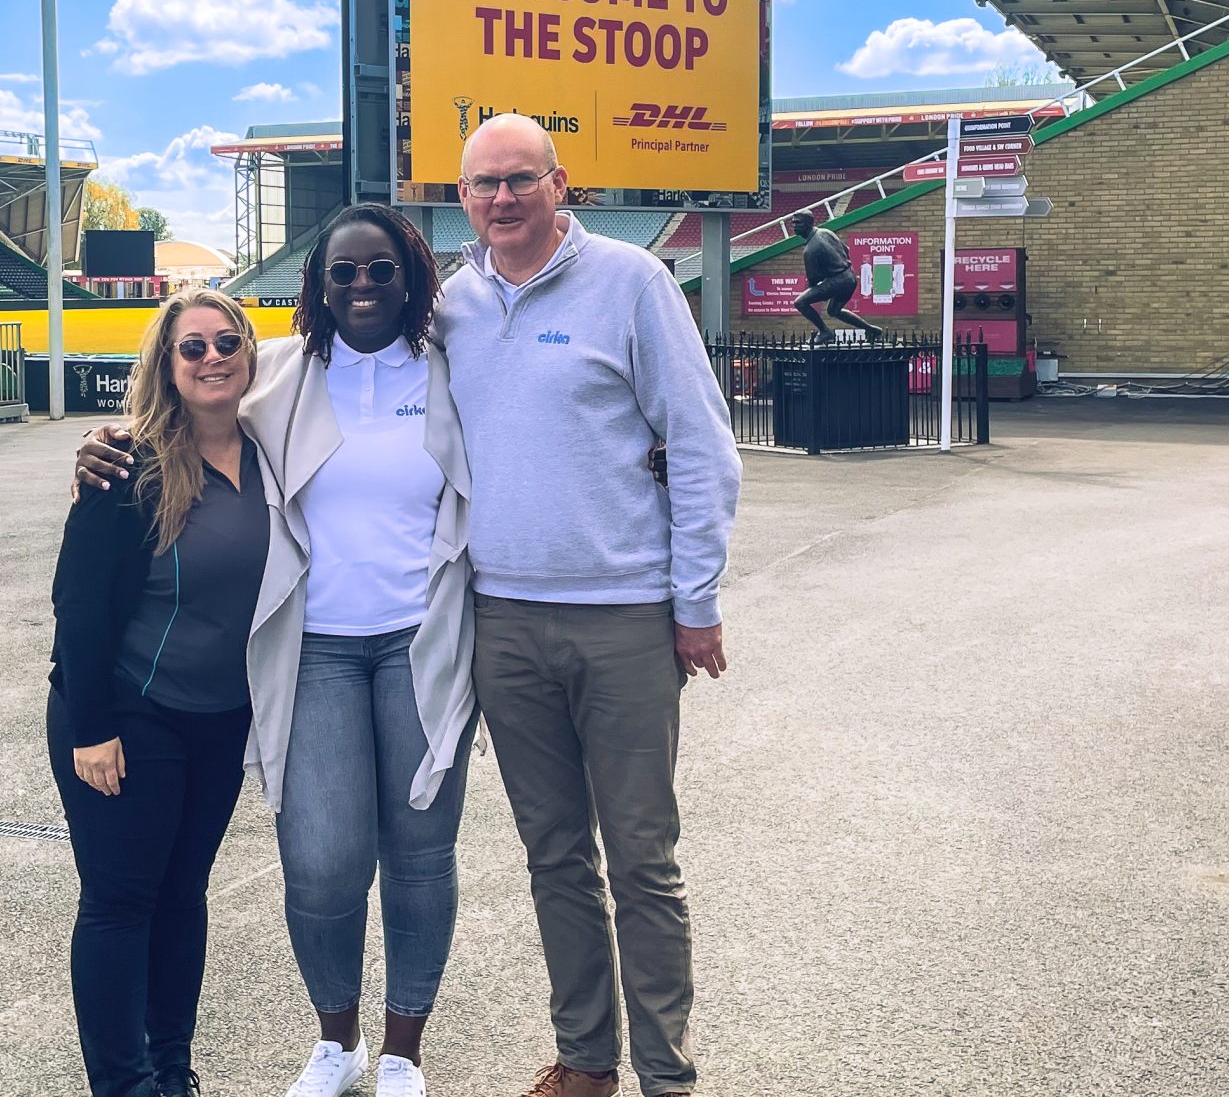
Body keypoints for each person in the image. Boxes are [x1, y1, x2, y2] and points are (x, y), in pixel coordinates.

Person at [78, 207, 478, 1097]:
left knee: (420, 855)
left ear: (410, 276)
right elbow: (184, 412)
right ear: (317, 287)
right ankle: (337, 1042)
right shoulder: (281, 374)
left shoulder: (457, 369)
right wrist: (104, 446)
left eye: (381, 271)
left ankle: (405, 1050)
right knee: (322, 858)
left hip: (425, 643)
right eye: (344, 274)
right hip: (319, 652)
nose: (363, 288)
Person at [444, 114, 740, 1097]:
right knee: (554, 858)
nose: (501, 198)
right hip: (504, 625)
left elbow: (700, 448)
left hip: (624, 621)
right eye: (483, 183)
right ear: (462, 197)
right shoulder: (453, 307)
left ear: (559, 182)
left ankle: (666, 1072)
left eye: (520, 179)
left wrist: (692, 601)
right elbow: (334, 380)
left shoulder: (632, 284)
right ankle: (585, 1059)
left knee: (643, 863)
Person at [49, 287, 271, 1097]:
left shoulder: (275, 448)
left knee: (183, 899)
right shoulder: (127, 464)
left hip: (219, 721)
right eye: (192, 347)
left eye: (227, 343)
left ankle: (170, 1074)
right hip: (126, 714)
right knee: (120, 900)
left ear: (251, 353)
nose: (213, 357)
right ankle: (124, 1084)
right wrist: (90, 727)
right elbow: (76, 604)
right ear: (166, 366)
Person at [788, 205, 878, 340]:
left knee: (800, 302)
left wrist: (819, 292)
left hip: (838, 280)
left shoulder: (810, 250)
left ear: (808, 223)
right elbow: (846, 250)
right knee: (833, 311)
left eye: (798, 223)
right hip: (850, 276)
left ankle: (825, 332)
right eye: (793, 223)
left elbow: (813, 279)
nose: (794, 226)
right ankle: (871, 330)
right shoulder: (826, 232)